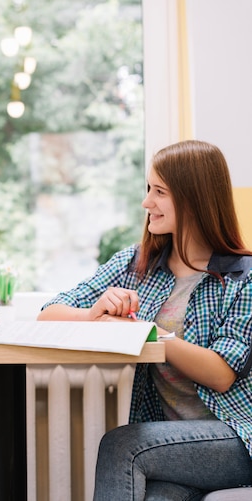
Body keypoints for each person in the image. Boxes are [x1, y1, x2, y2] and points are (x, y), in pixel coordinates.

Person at [38, 140, 252, 500]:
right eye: (147, 189)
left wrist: (149, 334)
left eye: (159, 192)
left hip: (236, 436)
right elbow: (49, 314)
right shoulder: (135, 264)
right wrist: (93, 314)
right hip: (172, 443)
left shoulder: (243, 276)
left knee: (124, 444)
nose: (146, 202)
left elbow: (220, 374)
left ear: (193, 198)